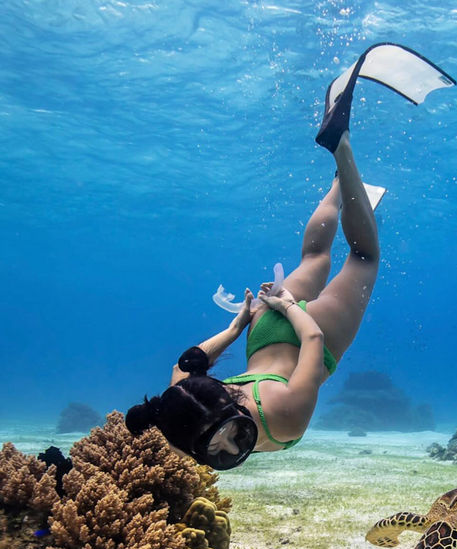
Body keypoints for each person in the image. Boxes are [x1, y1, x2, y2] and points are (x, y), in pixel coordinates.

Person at [126, 99, 380, 470]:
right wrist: (239, 325)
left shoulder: (284, 417)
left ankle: (343, 147)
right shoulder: (175, 409)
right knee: (314, 257)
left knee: (363, 257)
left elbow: (313, 340)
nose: (231, 447)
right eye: (214, 449)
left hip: (309, 330)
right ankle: (340, 184)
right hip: (263, 328)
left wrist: (290, 307)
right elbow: (188, 363)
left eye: (225, 433)